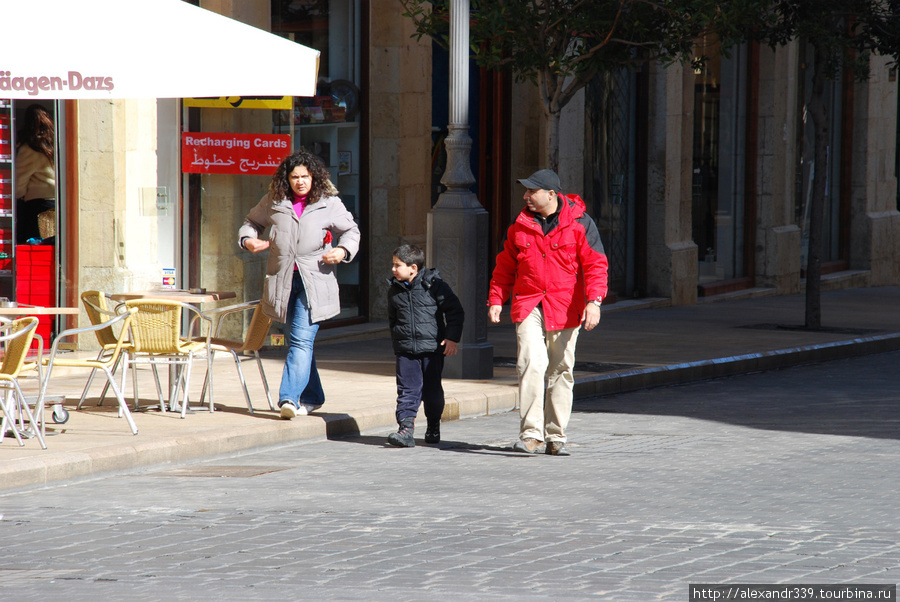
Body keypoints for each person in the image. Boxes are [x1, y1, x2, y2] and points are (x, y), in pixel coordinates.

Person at [487, 169, 608, 456]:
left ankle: (556, 436)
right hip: (529, 304)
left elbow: (595, 265)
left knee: (561, 370)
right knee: (531, 362)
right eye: (525, 191)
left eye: (532, 191)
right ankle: (531, 435)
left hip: (566, 307)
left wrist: (595, 301)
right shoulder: (518, 226)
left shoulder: (580, 224)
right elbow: (505, 266)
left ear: (552, 194)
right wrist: (496, 299)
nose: (526, 196)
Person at [239, 149, 360, 419]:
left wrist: (342, 251)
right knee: (298, 341)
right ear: (287, 179)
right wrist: (248, 240)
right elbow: (251, 222)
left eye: (305, 176)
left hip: (314, 281)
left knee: (301, 342)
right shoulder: (274, 200)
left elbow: (351, 231)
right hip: (283, 280)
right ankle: (313, 396)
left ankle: (289, 399)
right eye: (295, 177)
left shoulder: (329, 203)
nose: (300, 182)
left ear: (314, 177)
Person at [386, 244, 464, 447]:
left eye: (398, 265)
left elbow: (455, 311)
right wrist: (398, 342)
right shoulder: (394, 289)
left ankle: (433, 425)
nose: (393, 269)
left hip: (432, 350)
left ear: (413, 267)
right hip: (406, 351)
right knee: (407, 390)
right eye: (393, 265)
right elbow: (392, 318)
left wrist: (452, 338)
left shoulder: (435, 285)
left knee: (432, 391)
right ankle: (405, 430)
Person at [15, 104, 56, 244]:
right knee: (51, 247)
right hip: (56, 203)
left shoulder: (31, 149)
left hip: (37, 207)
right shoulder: (55, 144)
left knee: (35, 246)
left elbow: (19, 184)